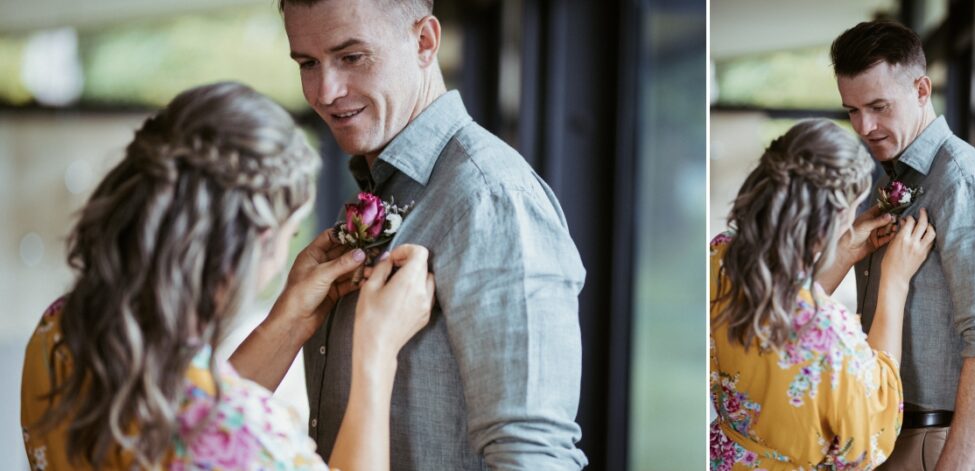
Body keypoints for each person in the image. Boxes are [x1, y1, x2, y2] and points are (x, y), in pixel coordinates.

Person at [232, 0, 588, 468]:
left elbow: (532, 455)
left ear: (424, 42)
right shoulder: (378, 187)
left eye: (352, 57)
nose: (325, 91)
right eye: (307, 63)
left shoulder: (492, 197)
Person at [21, 81, 435, 470]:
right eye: (289, 236)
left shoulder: (59, 331)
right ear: (257, 243)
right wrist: (375, 355)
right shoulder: (253, 436)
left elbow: (192, 421)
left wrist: (288, 325)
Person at [832, 20, 975, 470]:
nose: (865, 125)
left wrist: (953, 464)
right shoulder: (892, 175)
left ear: (922, 89)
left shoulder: (964, 182)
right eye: (852, 111)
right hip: (890, 432)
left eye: (878, 106)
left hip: (940, 441)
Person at [709, 119, 936, 469]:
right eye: (851, 209)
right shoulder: (831, 332)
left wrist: (843, 253)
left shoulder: (720, 258)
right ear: (831, 217)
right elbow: (874, 427)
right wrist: (895, 280)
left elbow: (782, 320)